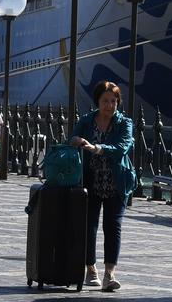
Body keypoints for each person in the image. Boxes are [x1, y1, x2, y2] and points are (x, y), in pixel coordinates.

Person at [70, 80, 136, 292]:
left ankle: (110, 273)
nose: (109, 105)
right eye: (105, 101)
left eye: (113, 101)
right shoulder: (87, 121)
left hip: (117, 181)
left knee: (113, 225)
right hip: (91, 180)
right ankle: (91, 269)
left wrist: (97, 148)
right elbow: (71, 138)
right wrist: (76, 140)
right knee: (90, 225)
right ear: (97, 101)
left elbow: (122, 146)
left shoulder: (124, 123)